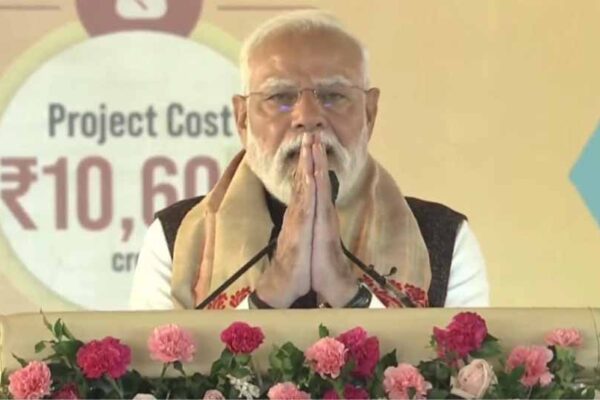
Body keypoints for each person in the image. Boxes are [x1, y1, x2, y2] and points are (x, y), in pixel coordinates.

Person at [129, 11, 489, 310]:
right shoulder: (176, 239)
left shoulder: (444, 238)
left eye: (333, 95)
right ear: (242, 119)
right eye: (280, 96)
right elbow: (157, 373)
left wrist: (346, 292)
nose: (308, 116)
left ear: (369, 112)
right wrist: (273, 291)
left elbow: (456, 372)